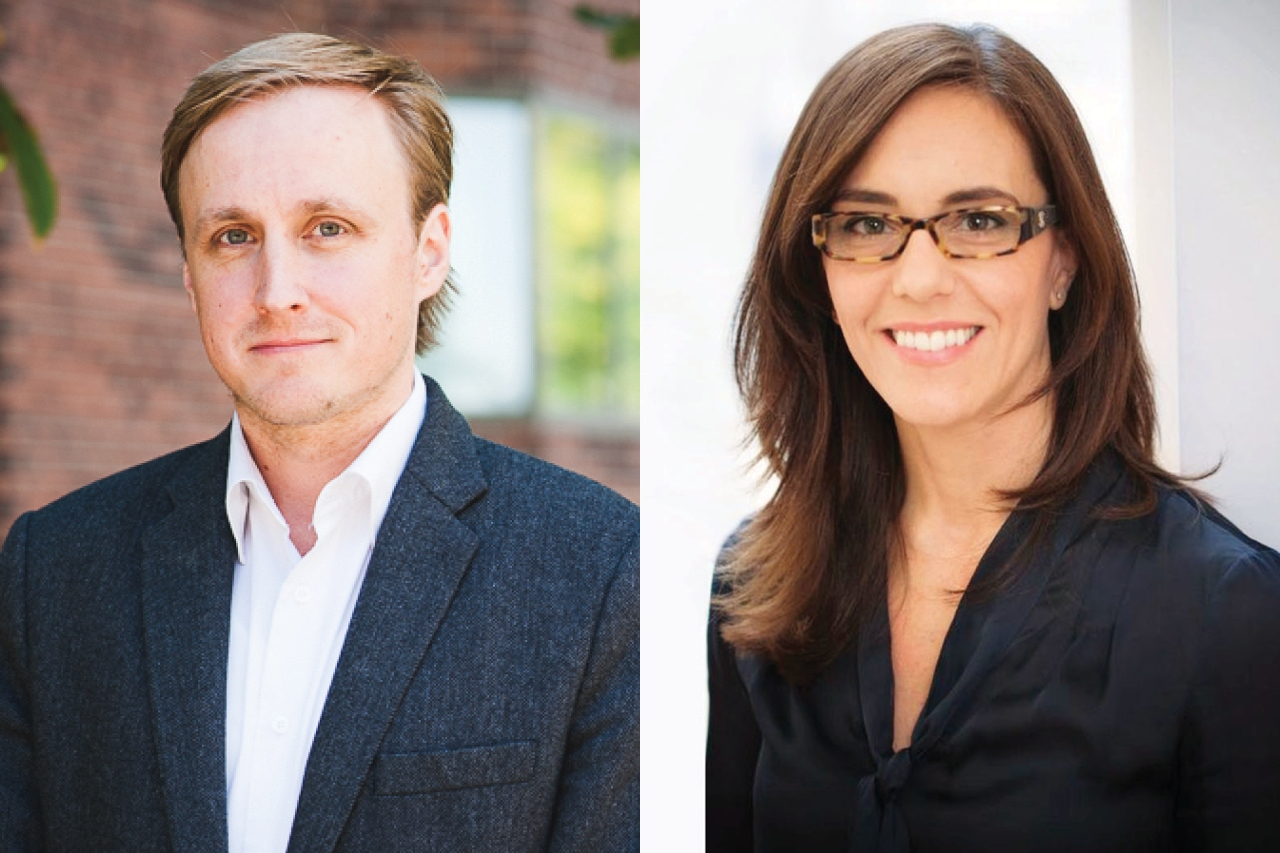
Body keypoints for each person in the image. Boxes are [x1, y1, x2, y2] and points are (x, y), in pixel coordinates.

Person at [0, 33, 637, 852]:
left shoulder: (601, 570)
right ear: (189, 271)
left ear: (429, 251)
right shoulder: (53, 570)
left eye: (328, 228)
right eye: (233, 236)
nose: (277, 293)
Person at [706, 22, 1280, 853]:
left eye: (979, 220)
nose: (921, 276)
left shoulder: (1227, 614)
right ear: (818, 270)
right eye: (867, 226)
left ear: (1065, 259)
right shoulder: (752, 588)